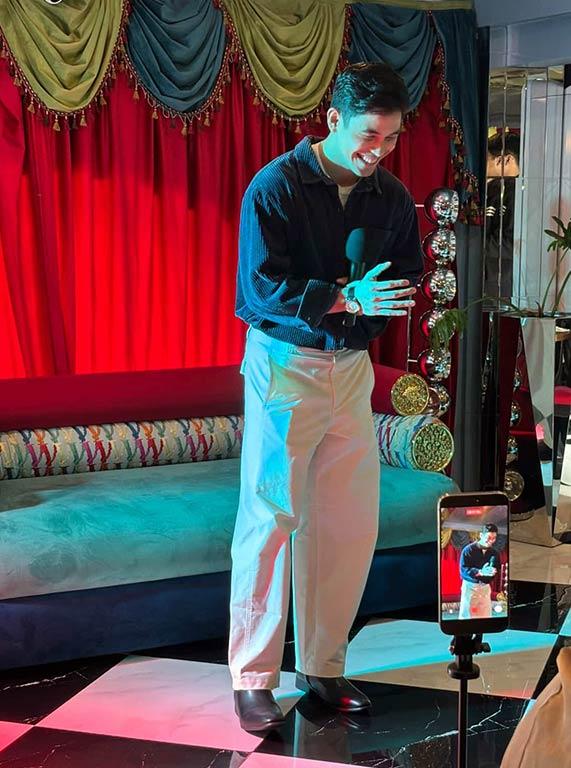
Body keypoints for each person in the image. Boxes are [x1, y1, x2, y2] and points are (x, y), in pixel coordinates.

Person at [229, 61, 423, 733]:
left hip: (353, 369)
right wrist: (345, 298)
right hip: (284, 364)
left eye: (391, 138)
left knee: (347, 523)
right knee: (270, 518)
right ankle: (253, 678)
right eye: (370, 135)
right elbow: (258, 291)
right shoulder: (274, 187)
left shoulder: (391, 196)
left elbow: (404, 276)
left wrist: (369, 308)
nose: (380, 151)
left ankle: (322, 667)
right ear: (334, 119)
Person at [484, 131, 521, 300]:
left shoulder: (513, 194)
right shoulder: (494, 191)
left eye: (487, 158)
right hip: (496, 284)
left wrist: (470, 245)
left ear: (505, 160)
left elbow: (511, 244)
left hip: (500, 287)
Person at [458, 523, 501, 619]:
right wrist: (480, 572)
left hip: (485, 587)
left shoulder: (494, 553)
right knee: (467, 616)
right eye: (489, 537)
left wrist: (493, 572)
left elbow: (497, 568)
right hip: (470, 587)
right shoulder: (468, 550)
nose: (491, 541)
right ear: (481, 535)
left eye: (494, 538)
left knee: (485, 616)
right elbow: (463, 570)